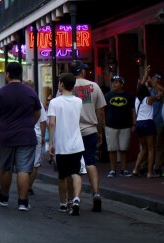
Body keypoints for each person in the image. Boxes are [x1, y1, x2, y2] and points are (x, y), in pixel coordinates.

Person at [0, 61, 42, 211]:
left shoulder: (1, 93)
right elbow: (37, 113)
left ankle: (4, 197)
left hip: (6, 136)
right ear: (20, 74)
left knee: (6, 167)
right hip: (26, 135)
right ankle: (23, 202)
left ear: (7, 74)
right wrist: (29, 124)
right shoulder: (30, 92)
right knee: (24, 169)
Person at [68, 60, 107, 212]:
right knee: (90, 161)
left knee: (74, 165)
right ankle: (96, 193)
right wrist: (100, 131)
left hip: (72, 132)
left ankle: (74, 198)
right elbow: (100, 112)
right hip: (90, 130)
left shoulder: (66, 86)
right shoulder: (94, 86)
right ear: (82, 71)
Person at [47, 72, 85, 216]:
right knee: (76, 172)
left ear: (62, 84)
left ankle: (63, 204)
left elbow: (52, 123)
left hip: (62, 144)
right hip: (77, 143)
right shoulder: (79, 101)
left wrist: (51, 142)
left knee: (62, 175)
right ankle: (76, 199)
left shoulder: (54, 102)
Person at [104, 75, 136, 177]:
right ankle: (112, 170)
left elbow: (133, 111)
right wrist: (104, 123)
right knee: (112, 149)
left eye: (116, 82)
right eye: (113, 82)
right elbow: (103, 110)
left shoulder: (129, 96)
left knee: (124, 148)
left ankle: (124, 169)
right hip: (111, 125)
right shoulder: (108, 96)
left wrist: (134, 123)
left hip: (125, 125)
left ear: (122, 84)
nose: (114, 84)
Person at [133, 68, 159, 178]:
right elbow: (160, 95)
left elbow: (141, 86)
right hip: (148, 123)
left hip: (139, 123)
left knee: (143, 149)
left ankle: (135, 169)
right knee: (151, 148)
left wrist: (145, 75)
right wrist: (153, 84)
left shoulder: (136, 100)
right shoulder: (149, 99)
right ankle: (149, 172)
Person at [23, 80, 48, 196]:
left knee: (23, 161)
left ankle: (24, 186)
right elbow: (43, 122)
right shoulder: (37, 101)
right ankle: (28, 187)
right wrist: (42, 136)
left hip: (23, 134)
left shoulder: (20, 101)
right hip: (36, 134)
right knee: (35, 163)